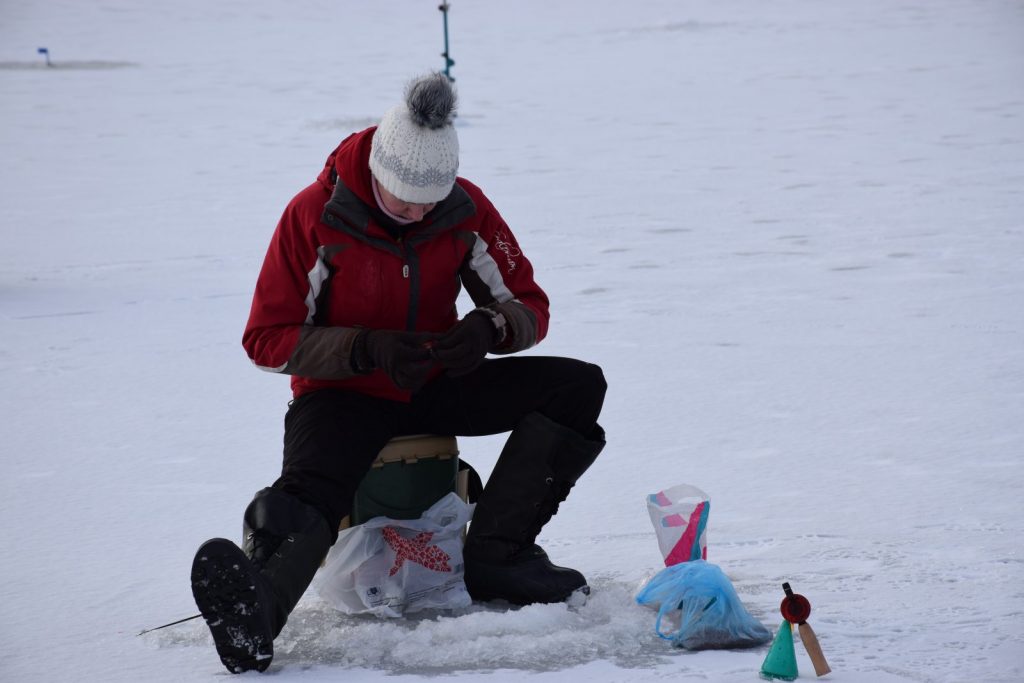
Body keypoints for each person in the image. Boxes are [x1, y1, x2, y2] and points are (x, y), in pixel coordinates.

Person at [190, 73, 607, 674]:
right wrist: (364, 348)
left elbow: (529, 305)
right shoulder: (314, 215)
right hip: (341, 394)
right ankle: (258, 607)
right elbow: (265, 340)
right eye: (403, 201)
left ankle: (499, 554)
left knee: (578, 386)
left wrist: (487, 328)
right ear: (376, 172)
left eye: (430, 202)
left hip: (437, 381)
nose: (417, 213)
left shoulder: (467, 209)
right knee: (313, 485)